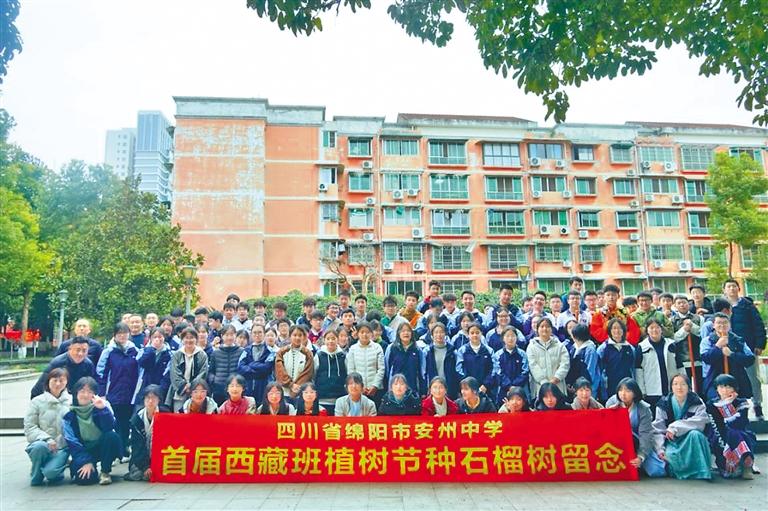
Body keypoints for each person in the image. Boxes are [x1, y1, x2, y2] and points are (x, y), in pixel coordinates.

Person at [62, 376, 121, 485]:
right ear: (75, 393)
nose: (85, 395)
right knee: (85, 479)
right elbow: (72, 442)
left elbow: (110, 427)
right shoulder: (68, 415)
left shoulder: (102, 405)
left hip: (103, 446)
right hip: (84, 449)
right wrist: (86, 461)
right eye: (82, 391)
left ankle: (105, 471)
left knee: (111, 436)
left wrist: (102, 409)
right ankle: (83, 466)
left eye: (90, 392)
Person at [651, 374, 711, 480]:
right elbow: (658, 429)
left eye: (683, 384)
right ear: (671, 387)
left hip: (689, 439)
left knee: (696, 434)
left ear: (688, 386)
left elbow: (701, 421)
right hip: (671, 441)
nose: (679, 387)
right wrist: (660, 449)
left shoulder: (696, 401)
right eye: (675, 384)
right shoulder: (664, 403)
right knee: (669, 457)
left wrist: (675, 428)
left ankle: (700, 471)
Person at [722, 278, 766, 419]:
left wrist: (760, 344)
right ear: (724, 290)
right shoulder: (721, 306)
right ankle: (734, 406)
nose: (732, 289)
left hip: (747, 348)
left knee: (753, 378)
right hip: (728, 350)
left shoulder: (747, 306)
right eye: (729, 286)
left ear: (738, 288)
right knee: (731, 379)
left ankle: (757, 405)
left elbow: (758, 325)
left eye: (734, 286)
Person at [96, 322, 140, 462]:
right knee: (115, 423)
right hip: (113, 393)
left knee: (126, 422)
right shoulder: (108, 352)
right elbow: (101, 373)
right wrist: (102, 393)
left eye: (125, 333)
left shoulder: (135, 351)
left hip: (129, 394)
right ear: (114, 335)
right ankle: (115, 453)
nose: (122, 336)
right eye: (119, 333)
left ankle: (124, 450)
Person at [605, 377, 664, 477]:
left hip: (639, 441)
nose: (623, 394)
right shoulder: (611, 403)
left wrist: (641, 456)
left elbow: (646, 434)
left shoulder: (643, 408)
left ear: (635, 393)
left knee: (657, 470)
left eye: (628, 391)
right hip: (618, 442)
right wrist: (610, 413)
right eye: (620, 390)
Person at [24, 368, 71, 486]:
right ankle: (36, 473)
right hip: (43, 443)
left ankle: (56, 468)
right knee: (39, 447)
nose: (58, 384)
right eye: (54, 380)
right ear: (48, 381)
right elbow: (30, 427)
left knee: (51, 473)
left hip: (62, 447)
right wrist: (47, 439)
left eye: (61, 380)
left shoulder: (71, 401)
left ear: (66, 382)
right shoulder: (36, 402)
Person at [706, 374, 757, 479]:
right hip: (718, 435)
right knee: (731, 473)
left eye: (728, 387)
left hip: (739, 434)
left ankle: (746, 465)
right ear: (717, 389)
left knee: (736, 433)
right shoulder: (712, 404)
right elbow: (715, 425)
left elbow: (739, 423)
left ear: (734, 388)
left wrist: (728, 405)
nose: (725, 390)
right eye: (721, 387)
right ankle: (733, 463)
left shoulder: (741, 402)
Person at [700, 313, 754, 401]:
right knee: (715, 402)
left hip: (737, 378)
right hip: (715, 378)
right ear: (713, 325)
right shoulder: (707, 341)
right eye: (719, 323)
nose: (722, 325)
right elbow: (706, 359)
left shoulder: (738, 340)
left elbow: (750, 359)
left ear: (729, 324)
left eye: (725, 322)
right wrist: (717, 347)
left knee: (739, 404)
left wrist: (732, 354)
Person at [635, 318, 681, 410]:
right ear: (647, 330)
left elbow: (680, 366)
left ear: (661, 329)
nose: (654, 330)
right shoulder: (642, 347)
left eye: (657, 327)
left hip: (671, 388)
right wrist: (641, 390)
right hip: (652, 391)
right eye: (651, 328)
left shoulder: (671, 344)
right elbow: (639, 370)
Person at [124, 385, 166, 481]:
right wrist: (145, 466)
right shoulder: (136, 419)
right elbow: (136, 446)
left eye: (154, 398)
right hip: (142, 456)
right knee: (137, 474)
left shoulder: (165, 415)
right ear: (143, 400)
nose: (150, 401)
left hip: (160, 456)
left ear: (159, 400)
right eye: (148, 398)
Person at [31, 337, 95, 399]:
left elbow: (91, 386)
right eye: (77, 350)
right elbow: (41, 385)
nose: (80, 353)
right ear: (70, 349)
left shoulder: (88, 365)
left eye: (84, 351)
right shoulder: (57, 363)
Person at [166, 327, 209, 412]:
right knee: (179, 416)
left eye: (192, 338)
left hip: (197, 392)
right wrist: (184, 386)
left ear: (196, 339)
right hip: (180, 392)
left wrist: (192, 386)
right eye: (186, 338)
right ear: (182, 339)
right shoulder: (177, 355)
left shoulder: (202, 355)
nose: (189, 340)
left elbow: (203, 372)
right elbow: (174, 373)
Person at [526, 318, 570, 397]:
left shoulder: (560, 346)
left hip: (558, 386)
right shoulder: (531, 347)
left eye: (547, 326)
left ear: (551, 329)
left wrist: (556, 378)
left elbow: (565, 363)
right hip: (539, 387)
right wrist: (544, 382)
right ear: (537, 329)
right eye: (542, 326)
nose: (544, 329)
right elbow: (533, 365)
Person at [597, 319, 636, 397]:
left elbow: (633, 368)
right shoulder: (603, 348)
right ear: (610, 331)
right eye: (614, 328)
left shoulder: (630, 348)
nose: (617, 331)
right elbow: (599, 370)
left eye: (619, 328)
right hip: (609, 387)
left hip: (626, 386)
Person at [237, 323, 276, 402]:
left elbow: (267, 368)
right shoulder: (246, 350)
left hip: (264, 386)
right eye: (254, 332)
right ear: (251, 334)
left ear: (264, 334)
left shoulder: (271, 351)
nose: (257, 335)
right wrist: (258, 369)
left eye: (260, 332)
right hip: (248, 386)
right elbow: (240, 368)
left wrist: (250, 365)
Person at [207, 324, 244, 405]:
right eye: (226, 335)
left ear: (235, 335)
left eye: (232, 334)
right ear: (222, 336)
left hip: (236, 389)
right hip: (219, 389)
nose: (229, 337)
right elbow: (211, 371)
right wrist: (214, 380)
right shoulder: (216, 352)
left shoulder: (241, 351)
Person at [274, 325, 315, 399]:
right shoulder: (281, 352)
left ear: (304, 337)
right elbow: (279, 371)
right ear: (290, 336)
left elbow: (307, 373)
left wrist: (297, 387)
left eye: (300, 335)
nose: (297, 338)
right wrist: (290, 384)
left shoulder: (308, 353)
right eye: (295, 335)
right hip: (283, 392)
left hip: (300, 393)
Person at [492, 326, 529, 406]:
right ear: (503, 338)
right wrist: (509, 386)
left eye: (513, 336)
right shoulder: (498, 355)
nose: (510, 338)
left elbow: (525, 372)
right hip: (503, 390)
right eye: (507, 336)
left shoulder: (522, 354)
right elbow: (498, 373)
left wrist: (515, 386)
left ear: (516, 338)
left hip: (520, 389)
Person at [384, 322, 424, 396]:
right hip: (396, 389)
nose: (406, 333)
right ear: (398, 333)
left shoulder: (417, 350)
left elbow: (421, 371)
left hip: (413, 389)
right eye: (403, 331)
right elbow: (387, 369)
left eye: (408, 331)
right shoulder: (391, 348)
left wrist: (423, 391)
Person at [422, 323, 460, 400]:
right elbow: (424, 372)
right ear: (432, 335)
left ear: (445, 334)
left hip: (450, 388)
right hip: (433, 389)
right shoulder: (427, 351)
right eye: (436, 332)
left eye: (441, 332)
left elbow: (457, 371)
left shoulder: (452, 351)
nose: (439, 335)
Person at [314, 329, 347, 414]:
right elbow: (313, 375)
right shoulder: (319, 356)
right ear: (324, 340)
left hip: (339, 398)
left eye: (333, 338)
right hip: (322, 398)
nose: (330, 341)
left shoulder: (343, 356)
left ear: (337, 340)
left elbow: (347, 374)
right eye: (328, 339)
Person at [136, 327, 172, 403]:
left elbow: (168, 374)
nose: (157, 339)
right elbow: (142, 363)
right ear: (150, 338)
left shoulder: (170, 354)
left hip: (161, 389)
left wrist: (161, 389)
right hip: (144, 386)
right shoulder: (143, 351)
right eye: (155, 337)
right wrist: (152, 349)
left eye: (160, 337)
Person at [567, 324, 601, 400]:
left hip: (587, 386)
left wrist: (581, 386)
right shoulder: (574, 347)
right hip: (575, 386)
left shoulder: (590, 350)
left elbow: (590, 372)